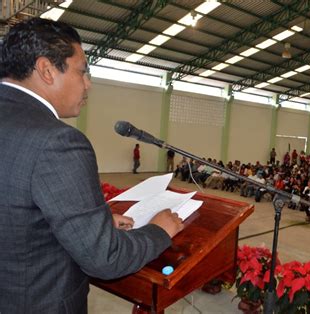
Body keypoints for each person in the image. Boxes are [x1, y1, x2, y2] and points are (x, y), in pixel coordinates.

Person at [0, 18, 183, 313]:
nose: (88, 85)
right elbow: (106, 258)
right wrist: (159, 230)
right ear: (47, 70)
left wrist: (90, 224)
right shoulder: (57, 142)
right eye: (83, 72)